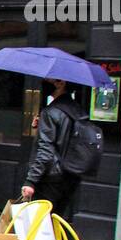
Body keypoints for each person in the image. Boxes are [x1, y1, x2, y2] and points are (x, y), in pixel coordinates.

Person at [21, 78, 85, 220]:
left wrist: (31, 181)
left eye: (47, 79)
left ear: (61, 83)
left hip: (50, 178)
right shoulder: (78, 110)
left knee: (40, 225)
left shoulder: (51, 112)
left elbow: (46, 151)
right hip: (70, 175)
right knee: (58, 223)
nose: (43, 82)